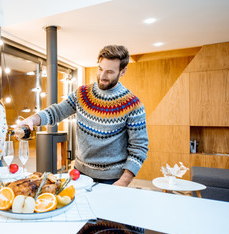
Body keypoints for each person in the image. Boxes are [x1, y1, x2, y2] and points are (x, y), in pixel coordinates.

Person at [19, 45, 149, 186]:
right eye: (100, 69)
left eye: (110, 72)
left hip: (112, 179)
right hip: (79, 173)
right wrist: (33, 119)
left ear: (122, 71)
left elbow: (139, 147)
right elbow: (57, 111)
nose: (102, 76)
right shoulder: (82, 94)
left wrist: (124, 181)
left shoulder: (133, 104)